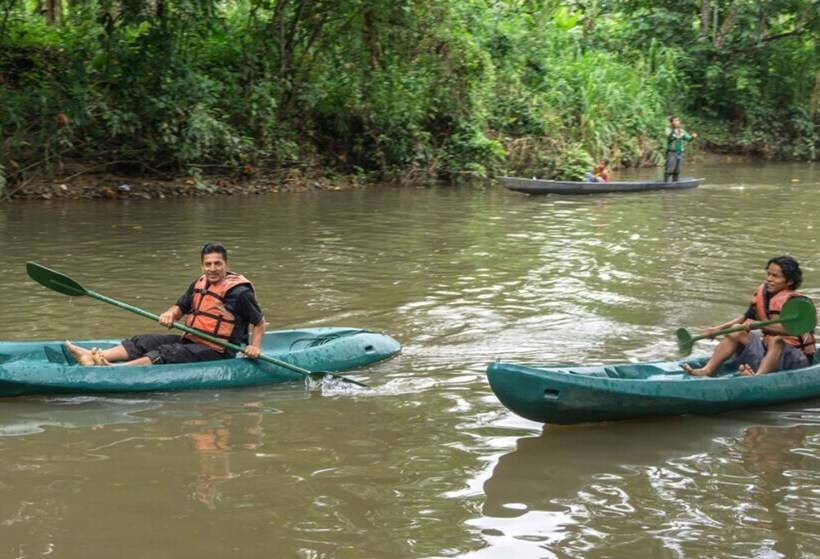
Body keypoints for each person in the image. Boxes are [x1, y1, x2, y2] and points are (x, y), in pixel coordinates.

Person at [65, 242, 266, 366]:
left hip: (219, 351)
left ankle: (113, 370)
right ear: (202, 265)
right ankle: (95, 356)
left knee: (165, 352)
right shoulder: (199, 284)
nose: (212, 268)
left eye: (217, 263)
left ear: (226, 264)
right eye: (208, 264)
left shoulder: (240, 293)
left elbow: (259, 322)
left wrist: (255, 347)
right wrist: (170, 314)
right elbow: (180, 308)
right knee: (145, 341)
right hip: (192, 341)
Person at [682, 256, 816, 377]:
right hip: (768, 351)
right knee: (736, 330)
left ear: (790, 281)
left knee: (777, 340)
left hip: (797, 359)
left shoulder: (799, 304)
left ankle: (757, 378)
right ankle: (708, 370)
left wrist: (756, 325)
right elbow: (746, 317)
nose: (769, 279)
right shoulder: (764, 293)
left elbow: (793, 330)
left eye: (775, 276)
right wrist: (717, 329)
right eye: (768, 274)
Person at [664, 116, 697, 182]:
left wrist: (693, 137)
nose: (677, 122)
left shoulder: (682, 131)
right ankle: (665, 183)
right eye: (675, 121)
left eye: (678, 120)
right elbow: (669, 138)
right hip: (671, 152)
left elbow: (688, 139)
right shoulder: (668, 130)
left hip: (680, 153)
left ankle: (675, 184)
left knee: (677, 170)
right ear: (671, 122)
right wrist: (673, 131)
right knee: (669, 169)